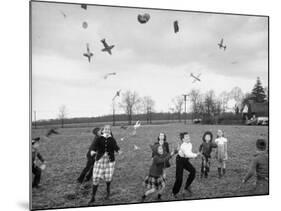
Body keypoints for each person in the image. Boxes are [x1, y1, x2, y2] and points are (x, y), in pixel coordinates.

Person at [89, 125, 121, 204]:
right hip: (100, 160)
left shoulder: (112, 139)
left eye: (108, 129)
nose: (107, 130)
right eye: (105, 129)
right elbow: (93, 147)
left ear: (110, 131)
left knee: (108, 178)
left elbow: (115, 147)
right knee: (96, 177)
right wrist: (92, 151)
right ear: (103, 130)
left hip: (110, 162)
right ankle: (93, 196)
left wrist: (118, 151)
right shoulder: (99, 138)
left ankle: (108, 191)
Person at [172, 132, 200, 198]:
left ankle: (187, 186)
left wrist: (194, 154)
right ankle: (174, 192)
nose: (188, 137)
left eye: (188, 136)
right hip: (180, 160)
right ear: (183, 139)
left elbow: (189, 153)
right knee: (179, 178)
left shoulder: (190, 144)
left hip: (185, 160)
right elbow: (188, 154)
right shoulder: (183, 146)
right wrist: (196, 155)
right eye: (186, 137)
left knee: (193, 171)